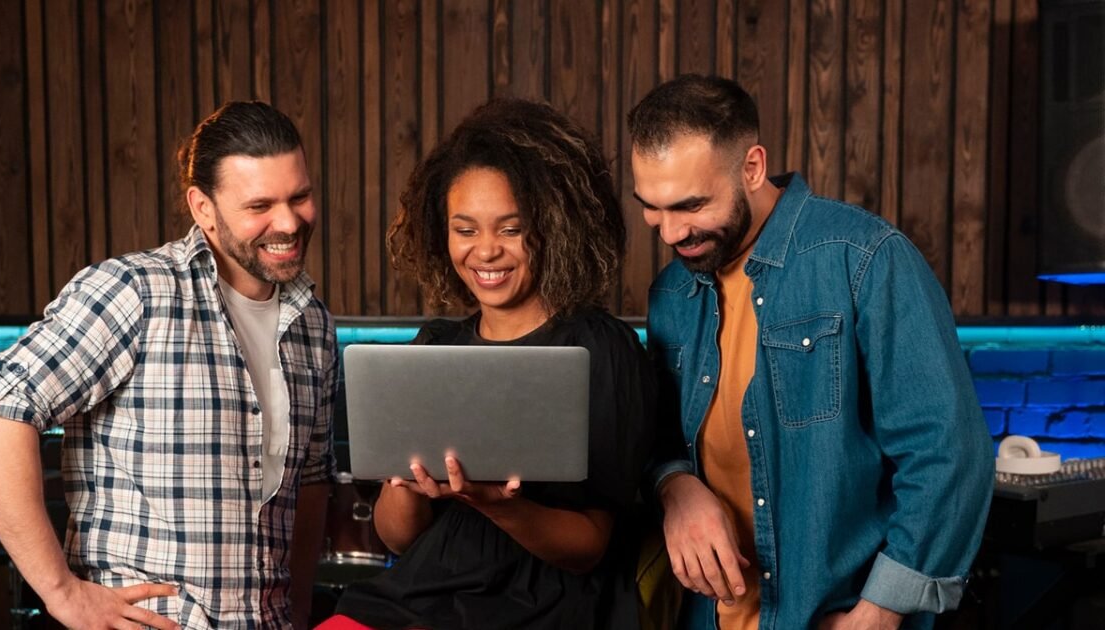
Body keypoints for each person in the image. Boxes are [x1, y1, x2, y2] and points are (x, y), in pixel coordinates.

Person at [627, 74, 994, 630]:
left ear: (752, 168)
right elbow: (657, 439)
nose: (670, 233)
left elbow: (948, 455)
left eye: (691, 205)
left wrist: (880, 612)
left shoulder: (865, 258)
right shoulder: (671, 293)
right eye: (651, 209)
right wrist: (674, 485)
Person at [0, 101, 336, 629]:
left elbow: (311, 480)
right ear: (203, 208)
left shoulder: (314, 325)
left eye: (300, 197)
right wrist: (62, 592)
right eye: (259, 206)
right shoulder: (135, 292)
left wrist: (300, 608)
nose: (289, 222)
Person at [322, 98, 656, 630]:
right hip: (419, 599)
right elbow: (400, 539)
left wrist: (492, 503)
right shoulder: (435, 348)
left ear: (555, 228)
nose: (485, 252)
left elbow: (589, 547)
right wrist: (405, 481)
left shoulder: (601, 350)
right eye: (466, 230)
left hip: (545, 610)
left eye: (510, 229)